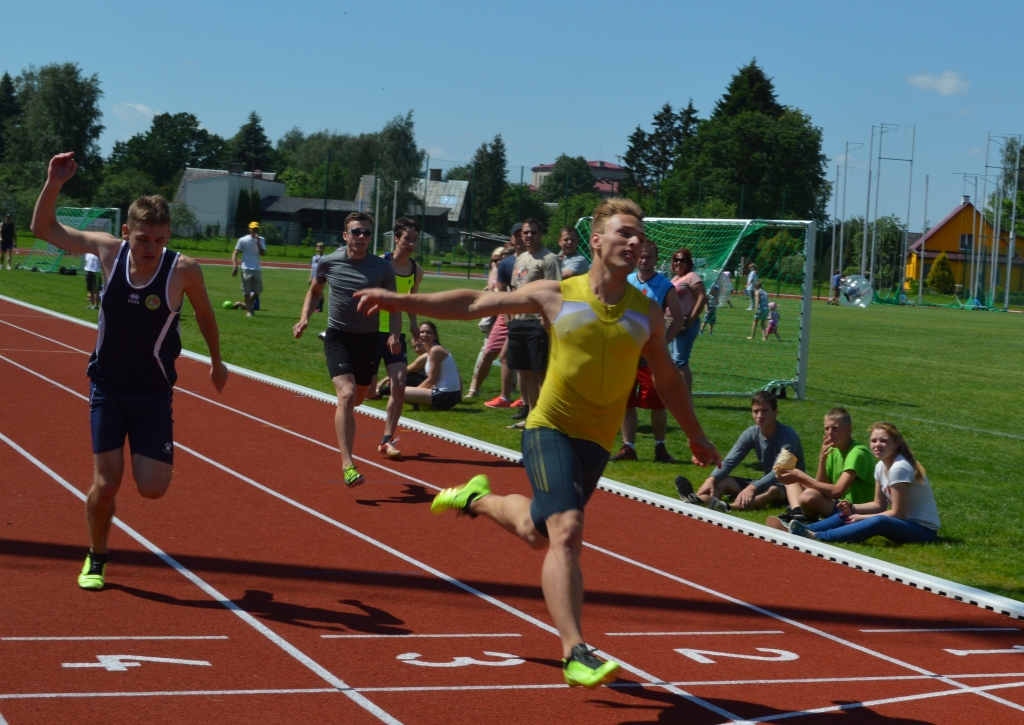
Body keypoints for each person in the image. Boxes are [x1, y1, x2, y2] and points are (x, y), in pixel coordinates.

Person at [355, 197, 720, 689]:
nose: (635, 242)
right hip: (549, 427)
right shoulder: (556, 293)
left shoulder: (648, 312)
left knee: (537, 531)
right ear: (595, 239)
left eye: (640, 235)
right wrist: (400, 300)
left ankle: (476, 498)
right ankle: (576, 651)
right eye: (624, 233)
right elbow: (475, 303)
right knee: (567, 530)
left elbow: (669, 378)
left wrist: (696, 435)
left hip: (596, 443)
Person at [31, 152, 228, 591]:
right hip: (108, 387)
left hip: (154, 394)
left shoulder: (184, 271)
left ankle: (109, 530)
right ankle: (96, 556)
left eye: (159, 239)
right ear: (126, 233)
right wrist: (54, 183)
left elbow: (207, 316)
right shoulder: (107, 252)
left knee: (152, 487)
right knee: (107, 480)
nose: (151, 248)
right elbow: (43, 230)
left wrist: (217, 360)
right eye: (143, 238)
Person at [293, 211, 398, 487]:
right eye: (356, 232)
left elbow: (394, 305)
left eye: (366, 232)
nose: (361, 237)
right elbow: (315, 290)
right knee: (347, 395)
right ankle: (348, 464)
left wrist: (395, 334)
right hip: (338, 337)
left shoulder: (382, 268)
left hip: (369, 339)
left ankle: (348, 422)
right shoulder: (329, 262)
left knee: (361, 397)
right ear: (345, 235)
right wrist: (305, 317)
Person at [780, 422, 940, 544]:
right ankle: (803, 528)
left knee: (879, 521)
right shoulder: (880, 466)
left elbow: (898, 513)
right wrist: (853, 509)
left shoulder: (899, 468)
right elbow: (879, 505)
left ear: (896, 444)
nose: (877, 445)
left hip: (922, 530)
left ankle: (816, 536)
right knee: (847, 512)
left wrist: (862, 517)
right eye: (874, 440)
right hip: (905, 523)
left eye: (884, 441)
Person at [610, 242, 686, 463]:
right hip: (627, 352)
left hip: (650, 357)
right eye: (641, 257)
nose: (644, 260)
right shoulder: (627, 281)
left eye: (648, 257)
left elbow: (679, 318)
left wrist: (663, 342)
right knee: (626, 401)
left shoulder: (664, 285)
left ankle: (660, 448)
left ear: (656, 259)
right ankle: (628, 447)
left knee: (656, 402)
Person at [675, 390, 802, 512]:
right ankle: (697, 500)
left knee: (773, 490)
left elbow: (779, 471)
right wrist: (711, 479)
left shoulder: (788, 436)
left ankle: (728, 507)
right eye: (756, 411)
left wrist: (753, 487)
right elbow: (730, 461)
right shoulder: (751, 433)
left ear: (775, 413)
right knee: (722, 481)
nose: (759, 416)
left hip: (789, 486)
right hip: (766, 480)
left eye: (765, 411)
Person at [766, 407, 875, 527]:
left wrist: (801, 477)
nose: (829, 433)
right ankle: (798, 515)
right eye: (827, 428)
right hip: (836, 505)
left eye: (835, 428)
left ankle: (804, 521)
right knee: (791, 475)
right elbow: (821, 486)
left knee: (808, 495)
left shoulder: (857, 453)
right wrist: (822, 460)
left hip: (853, 512)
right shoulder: (833, 449)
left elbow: (836, 491)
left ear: (848, 430)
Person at [374, 217, 424, 459]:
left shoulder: (416, 271)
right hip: (370, 332)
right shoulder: (379, 263)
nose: (411, 243)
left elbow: (411, 301)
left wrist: (413, 325)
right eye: (407, 238)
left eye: (415, 239)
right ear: (396, 238)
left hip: (396, 334)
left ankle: (387, 439)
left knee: (400, 384)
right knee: (366, 393)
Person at [504, 218, 560, 429]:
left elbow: (555, 292)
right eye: (526, 232)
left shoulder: (549, 258)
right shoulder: (520, 258)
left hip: (538, 323)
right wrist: (510, 319)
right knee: (524, 372)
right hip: (518, 322)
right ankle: (531, 414)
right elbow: (514, 289)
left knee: (540, 373)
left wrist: (546, 322)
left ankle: (544, 416)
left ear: (541, 234)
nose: (529, 236)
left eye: (533, 233)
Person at [484, 224, 526, 411]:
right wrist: (508, 318)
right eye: (517, 235)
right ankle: (509, 397)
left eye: (523, 234)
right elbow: (502, 294)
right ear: (512, 237)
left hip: (529, 316)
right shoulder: (507, 263)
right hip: (512, 317)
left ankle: (519, 398)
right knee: (506, 356)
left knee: (523, 360)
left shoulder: (534, 259)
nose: (521, 238)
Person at [379, 321, 462, 411]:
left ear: (435, 336)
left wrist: (415, 393)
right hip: (447, 394)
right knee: (403, 391)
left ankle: (425, 404)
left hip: (446, 395)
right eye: (422, 332)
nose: (424, 335)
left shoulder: (436, 350)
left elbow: (432, 379)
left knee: (399, 391)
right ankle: (427, 406)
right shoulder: (431, 351)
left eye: (428, 332)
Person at [468, 246, 514, 397]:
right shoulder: (500, 270)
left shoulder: (519, 270)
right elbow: (495, 291)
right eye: (500, 259)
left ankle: (513, 393)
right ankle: (474, 389)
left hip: (517, 315)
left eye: (506, 258)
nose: (502, 261)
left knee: (515, 357)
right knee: (488, 353)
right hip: (501, 317)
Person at [669, 248, 707, 391]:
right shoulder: (675, 278)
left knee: (680, 361)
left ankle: (686, 398)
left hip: (685, 325)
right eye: (676, 260)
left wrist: (689, 321)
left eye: (682, 260)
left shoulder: (692, 276)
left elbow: (702, 298)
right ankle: (678, 394)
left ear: (688, 262)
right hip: (673, 324)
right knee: (674, 361)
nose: (678, 262)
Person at [232, 221, 266, 317]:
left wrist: (258, 243)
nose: (255, 230)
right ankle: (249, 311)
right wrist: (235, 266)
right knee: (246, 292)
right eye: (253, 228)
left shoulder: (261, 239)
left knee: (258, 291)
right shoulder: (242, 240)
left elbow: (263, 253)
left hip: (256, 268)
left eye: (257, 228)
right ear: (249, 229)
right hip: (246, 268)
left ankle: (247, 304)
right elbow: (235, 253)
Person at [310, 241, 326, 312]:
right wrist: (310, 277)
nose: (320, 248)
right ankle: (315, 307)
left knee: (320, 292)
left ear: (324, 248)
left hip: (321, 277)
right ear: (316, 248)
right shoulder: (314, 257)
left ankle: (319, 308)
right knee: (314, 291)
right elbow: (312, 268)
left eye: (321, 247)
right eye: (318, 247)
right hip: (314, 277)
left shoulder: (325, 257)